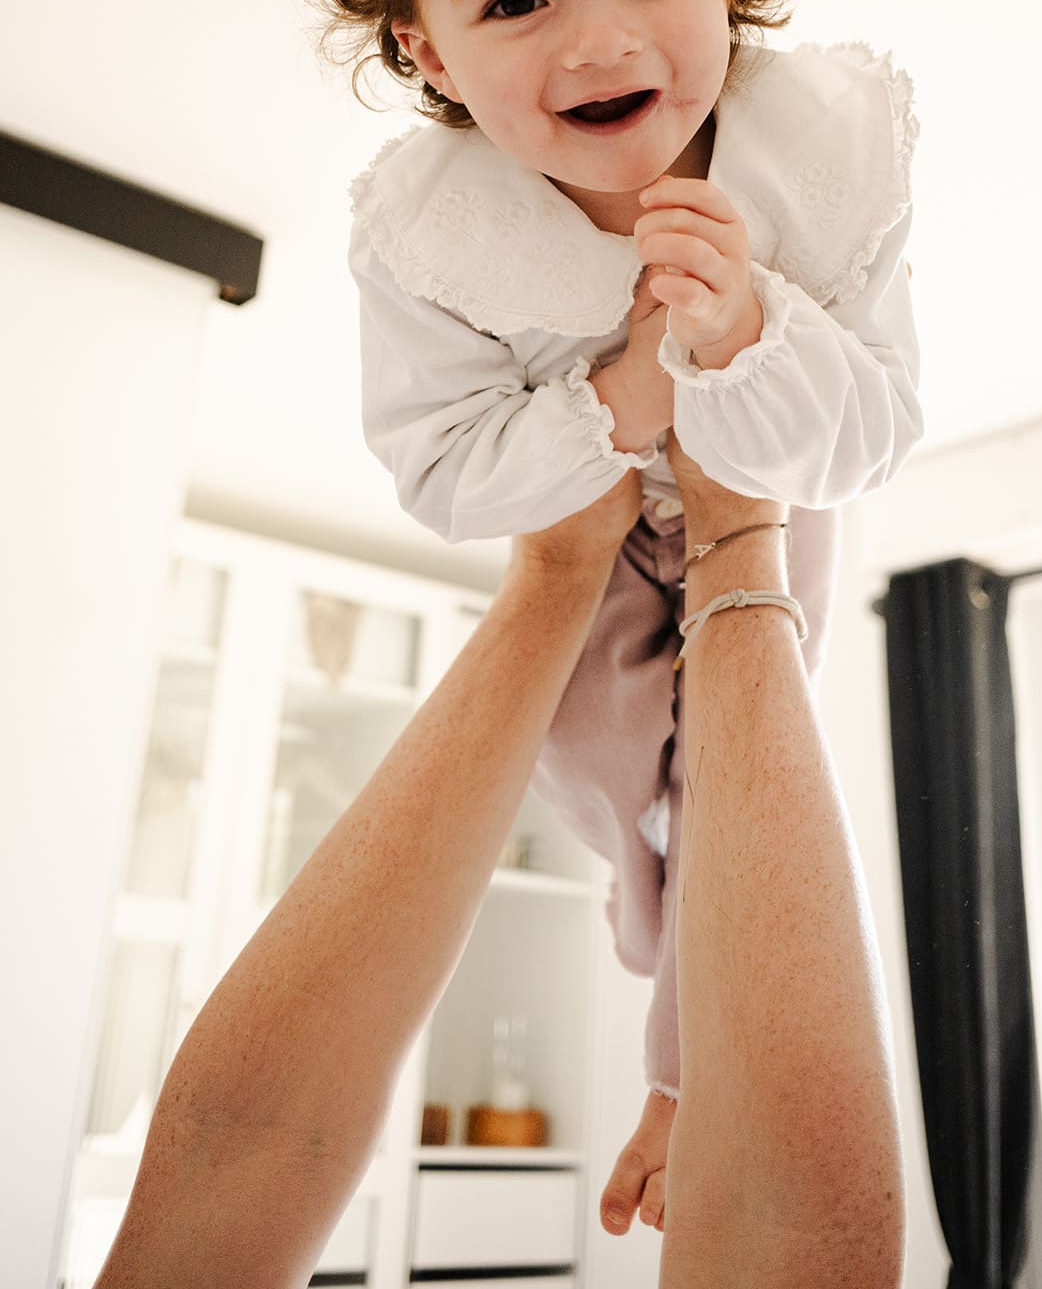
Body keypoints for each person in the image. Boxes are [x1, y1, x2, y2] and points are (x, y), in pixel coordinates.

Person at [298, 0, 922, 1231]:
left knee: (746, 783)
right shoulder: (432, 234)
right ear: (429, 53)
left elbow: (877, 430)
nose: (599, 37)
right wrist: (628, 393)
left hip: (763, 486)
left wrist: (758, 334)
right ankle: (633, 899)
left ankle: (681, 1061)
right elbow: (443, 471)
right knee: (588, 770)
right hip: (575, 513)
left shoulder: (822, 159)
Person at [93, 441, 905, 1289]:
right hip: (742, 508)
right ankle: (651, 900)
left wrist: (555, 573)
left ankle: (647, 902)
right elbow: (785, 1226)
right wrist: (736, 536)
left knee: (582, 746)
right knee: (665, 774)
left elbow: (246, 1144)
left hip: (606, 523)